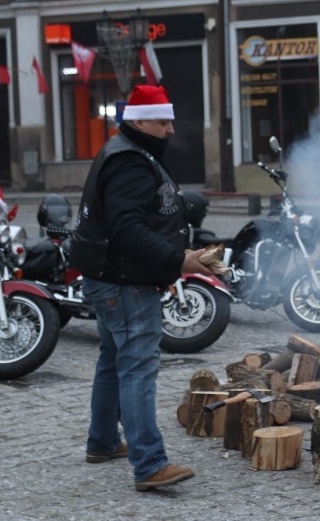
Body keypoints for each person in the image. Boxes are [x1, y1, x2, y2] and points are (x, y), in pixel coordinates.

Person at [70, 85, 213, 492]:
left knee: (113, 360)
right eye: (163, 121)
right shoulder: (131, 161)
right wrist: (177, 260)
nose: (170, 129)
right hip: (125, 281)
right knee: (137, 367)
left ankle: (101, 441)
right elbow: (126, 228)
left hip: (113, 276)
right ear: (139, 121)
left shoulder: (127, 150)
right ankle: (149, 464)